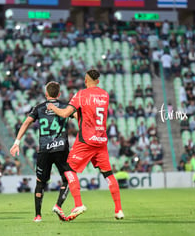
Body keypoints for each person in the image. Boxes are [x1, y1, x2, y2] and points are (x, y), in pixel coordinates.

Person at [47, 69, 124, 221]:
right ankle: (119, 210)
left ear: (85, 80)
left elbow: (63, 114)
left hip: (86, 140)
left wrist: (53, 108)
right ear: (98, 81)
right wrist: (76, 114)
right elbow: (88, 114)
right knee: (108, 174)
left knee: (68, 169)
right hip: (101, 141)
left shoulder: (81, 95)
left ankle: (78, 204)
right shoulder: (105, 95)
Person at [10, 81, 72, 222]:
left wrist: (17, 142)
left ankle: (38, 215)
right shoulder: (65, 106)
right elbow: (78, 119)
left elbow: (26, 123)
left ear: (46, 94)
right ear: (59, 94)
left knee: (40, 182)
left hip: (44, 150)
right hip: (61, 148)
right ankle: (58, 205)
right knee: (68, 179)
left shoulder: (39, 107)